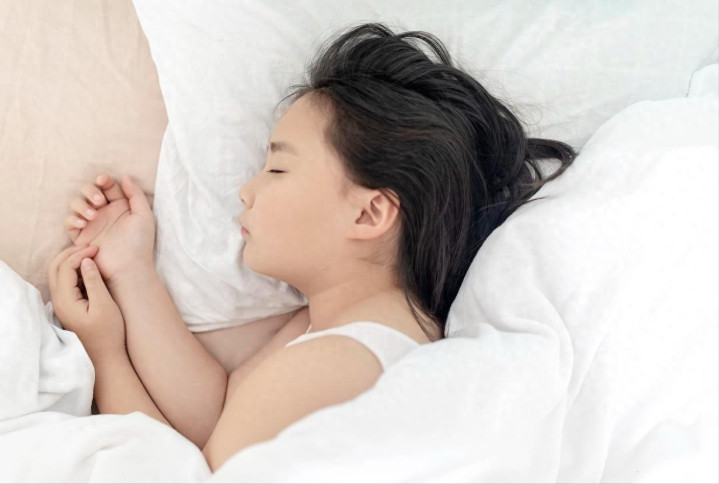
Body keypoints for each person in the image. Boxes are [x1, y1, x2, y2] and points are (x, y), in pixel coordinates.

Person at [49, 21, 577, 473]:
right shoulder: (340, 330)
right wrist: (131, 271)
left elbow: (185, 474)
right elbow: (221, 414)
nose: (246, 191)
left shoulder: (335, 361)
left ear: (369, 213)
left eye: (277, 168)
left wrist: (105, 354)